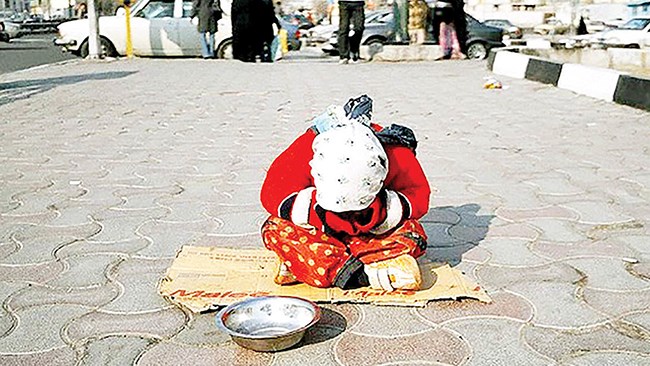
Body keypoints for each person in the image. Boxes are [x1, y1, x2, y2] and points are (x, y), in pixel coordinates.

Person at [260, 95, 431, 291]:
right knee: (275, 228)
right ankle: (362, 272)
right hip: (318, 229)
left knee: (412, 233)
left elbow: (418, 195)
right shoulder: (305, 149)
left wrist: (383, 212)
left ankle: (308, 265)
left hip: (373, 232)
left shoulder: (396, 154)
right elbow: (272, 192)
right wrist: (314, 213)